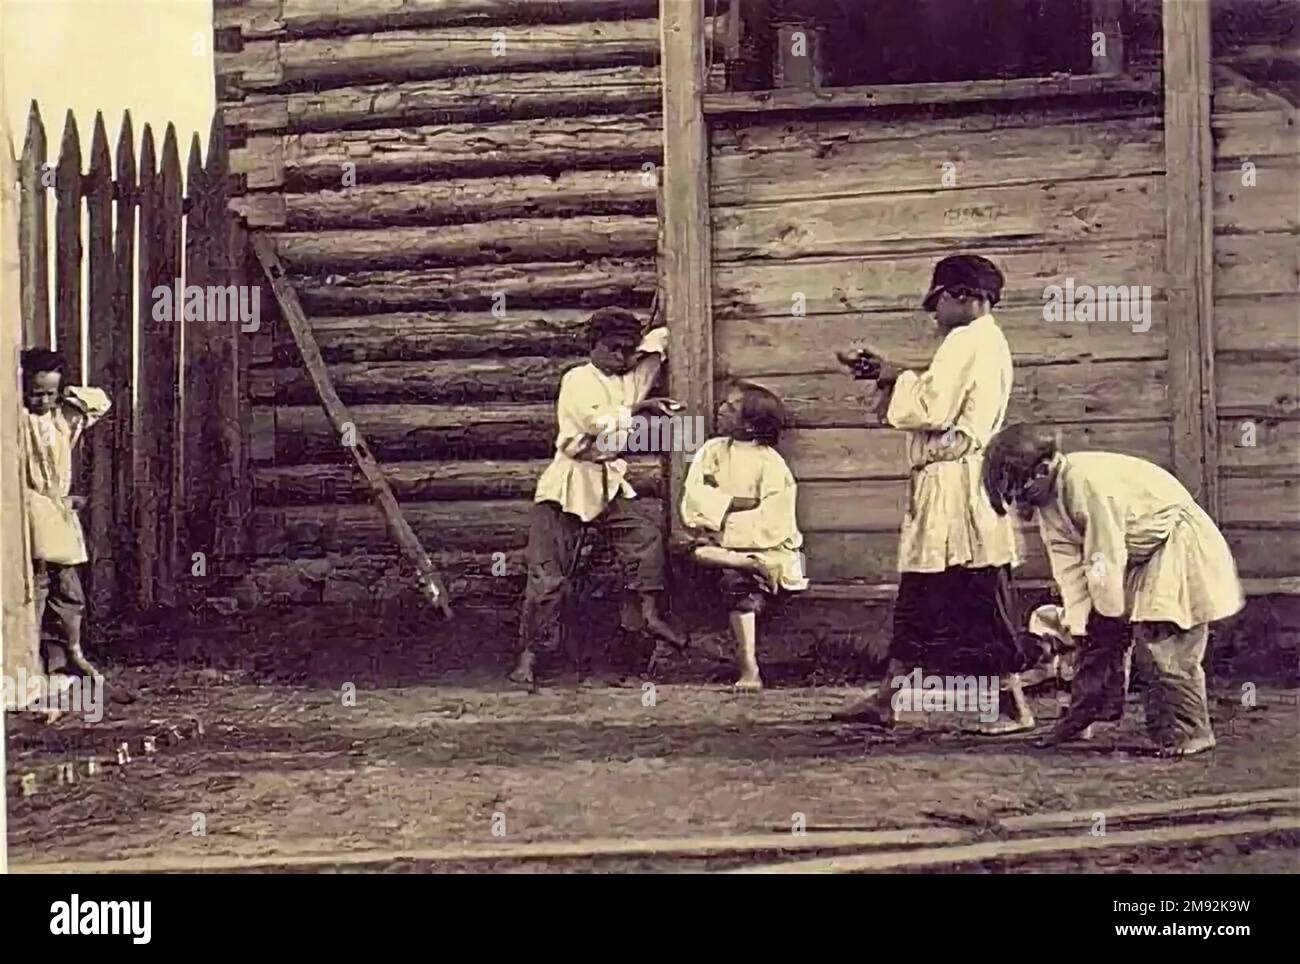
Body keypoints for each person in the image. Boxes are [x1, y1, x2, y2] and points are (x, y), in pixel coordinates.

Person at [832, 254, 1033, 731]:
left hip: (956, 485)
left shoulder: (966, 340)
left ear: (962, 296)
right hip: (954, 480)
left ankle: (1012, 705)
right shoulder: (985, 341)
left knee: (979, 590)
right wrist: (890, 371)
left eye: (937, 301)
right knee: (921, 596)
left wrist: (893, 377)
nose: (933, 314)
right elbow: (938, 392)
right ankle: (888, 698)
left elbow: (930, 407)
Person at [982, 424, 1243, 756]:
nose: (1020, 503)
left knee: (1163, 642)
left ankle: (1190, 730)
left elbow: (1104, 554)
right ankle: (1084, 717)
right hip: (1135, 556)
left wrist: (1106, 613)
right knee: (1095, 636)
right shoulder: (1049, 498)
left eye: (1021, 491)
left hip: (1176, 544)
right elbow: (1070, 568)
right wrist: (1081, 623)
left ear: (1044, 469)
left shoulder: (1084, 483)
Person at [510, 307, 686, 687]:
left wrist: (643, 348)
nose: (620, 358)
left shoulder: (628, 378)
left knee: (645, 537)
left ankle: (649, 616)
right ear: (592, 346)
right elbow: (594, 423)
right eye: (612, 349)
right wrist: (639, 408)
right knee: (548, 576)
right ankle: (530, 656)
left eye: (627, 351)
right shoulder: (577, 379)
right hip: (568, 483)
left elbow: (662, 341)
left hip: (606, 484)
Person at [677, 381, 808, 691]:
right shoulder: (712, 451)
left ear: (751, 426)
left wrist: (721, 518)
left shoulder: (771, 464)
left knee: (737, 584)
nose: (721, 410)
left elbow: (774, 520)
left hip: (765, 548)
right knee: (682, 547)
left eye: (731, 408)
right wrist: (736, 503)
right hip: (717, 544)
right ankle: (745, 563)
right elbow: (692, 500)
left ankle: (749, 668)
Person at [21, 347, 111, 682]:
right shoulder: (19, 421)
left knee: (69, 591)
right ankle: (32, 660)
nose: (42, 400)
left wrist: (65, 393)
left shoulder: (63, 420)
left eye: (49, 394)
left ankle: (72, 651)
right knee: (38, 587)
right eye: (35, 393)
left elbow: (100, 402)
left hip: (58, 511)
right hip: (31, 510)